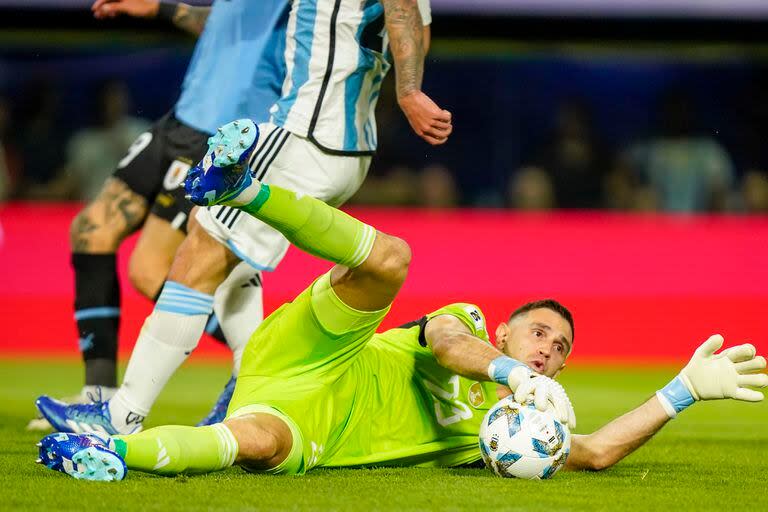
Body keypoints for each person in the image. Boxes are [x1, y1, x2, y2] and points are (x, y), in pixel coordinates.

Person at [36, 150, 767, 480]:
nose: (549, 348)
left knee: (254, 442)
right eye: (539, 331)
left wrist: (683, 393)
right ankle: (245, 189)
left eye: (560, 347)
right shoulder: (469, 327)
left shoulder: (510, 437)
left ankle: (105, 453)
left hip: (319, 426)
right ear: (507, 330)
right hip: (324, 353)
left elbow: (600, 449)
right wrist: (510, 370)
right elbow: (447, 343)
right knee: (391, 259)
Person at [36, 0, 449, 434]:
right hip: (348, 145)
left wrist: (407, 93)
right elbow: (416, 28)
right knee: (223, 252)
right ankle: (241, 390)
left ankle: (121, 416)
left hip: (305, 136)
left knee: (198, 254)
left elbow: (401, 12)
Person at [38, 0, 290, 429]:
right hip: (180, 120)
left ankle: (268, 362)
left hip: (222, 134)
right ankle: (99, 391)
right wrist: (158, 7)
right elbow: (223, 25)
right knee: (91, 229)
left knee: (150, 269)